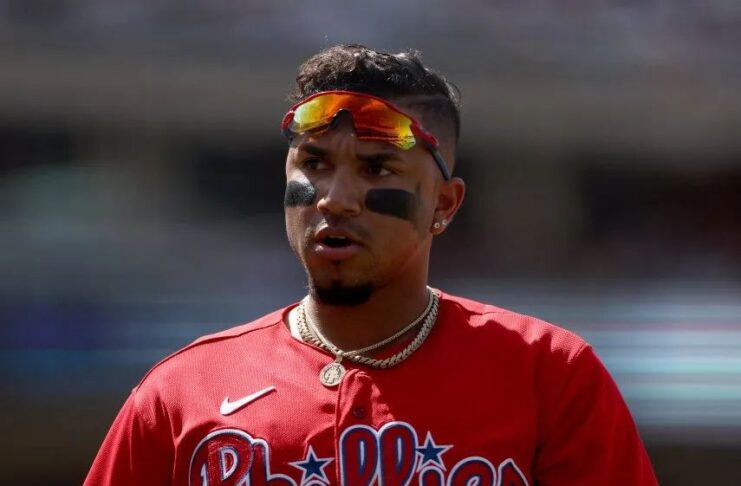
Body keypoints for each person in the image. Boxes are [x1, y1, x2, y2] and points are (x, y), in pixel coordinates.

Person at [85, 44, 658, 485]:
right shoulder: (182, 391)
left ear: (444, 204)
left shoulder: (550, 375)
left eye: (377, 168)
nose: (334, 199)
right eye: (314, 163)